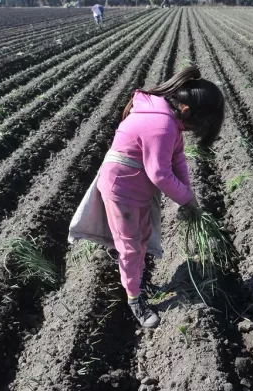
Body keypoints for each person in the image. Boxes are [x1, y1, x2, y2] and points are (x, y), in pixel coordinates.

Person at [69, 67, 224, 329]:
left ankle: (137, 280)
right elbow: (160, 174)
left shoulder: (168, 117)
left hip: (136, 187)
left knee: (142, 236)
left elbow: (178, 160)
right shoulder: (161, 125)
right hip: (122, 189)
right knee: (130, 247)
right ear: (187, 111)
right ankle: (134, 299)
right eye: (200, 122)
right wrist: (186, 199)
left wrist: (189, 194)